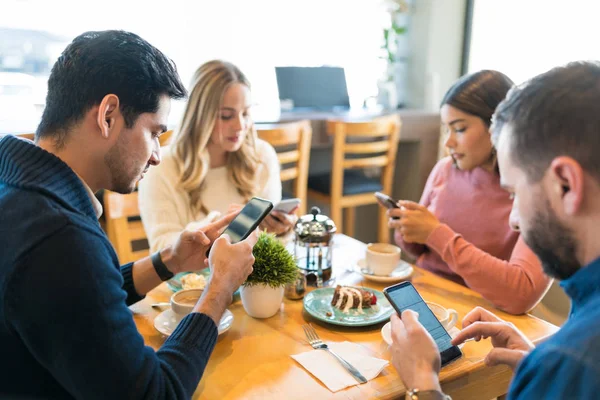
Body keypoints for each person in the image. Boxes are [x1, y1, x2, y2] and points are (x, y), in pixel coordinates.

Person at [0, 30, 258, 399]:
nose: (156, 154)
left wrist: (169, 260)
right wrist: (220, 286)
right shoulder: (59, 238)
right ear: (108, 116)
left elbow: (83, 299)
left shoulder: (19, 185)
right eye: (154, 132)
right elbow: (156, 393)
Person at [390, 61, 600, 399]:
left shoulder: (573, 360)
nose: (515, 219)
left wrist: (421, 383)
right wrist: (536, 364)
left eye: (515, 193)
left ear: (566, 185)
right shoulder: (567, 353)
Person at [388, 70, 550, 314]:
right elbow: (423, 253)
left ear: (499, 127)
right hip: (424, 299)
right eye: (447, 130)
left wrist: (436, 234)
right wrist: (410, 230)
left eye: (460, 129)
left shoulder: (532, 190)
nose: (448, 143)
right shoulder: (445, 169)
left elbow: (521, 293)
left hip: (479, 315)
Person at [138, 60, 295, 253]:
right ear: (200, 116)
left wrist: (278, 230)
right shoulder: (162, 167)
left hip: (248, 277)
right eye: (226, 116)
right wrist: (219, 228)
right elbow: (162, 249)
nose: (239, 126)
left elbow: (268, 251)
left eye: (245, 113)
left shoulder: (262, 157)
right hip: (192, 281)